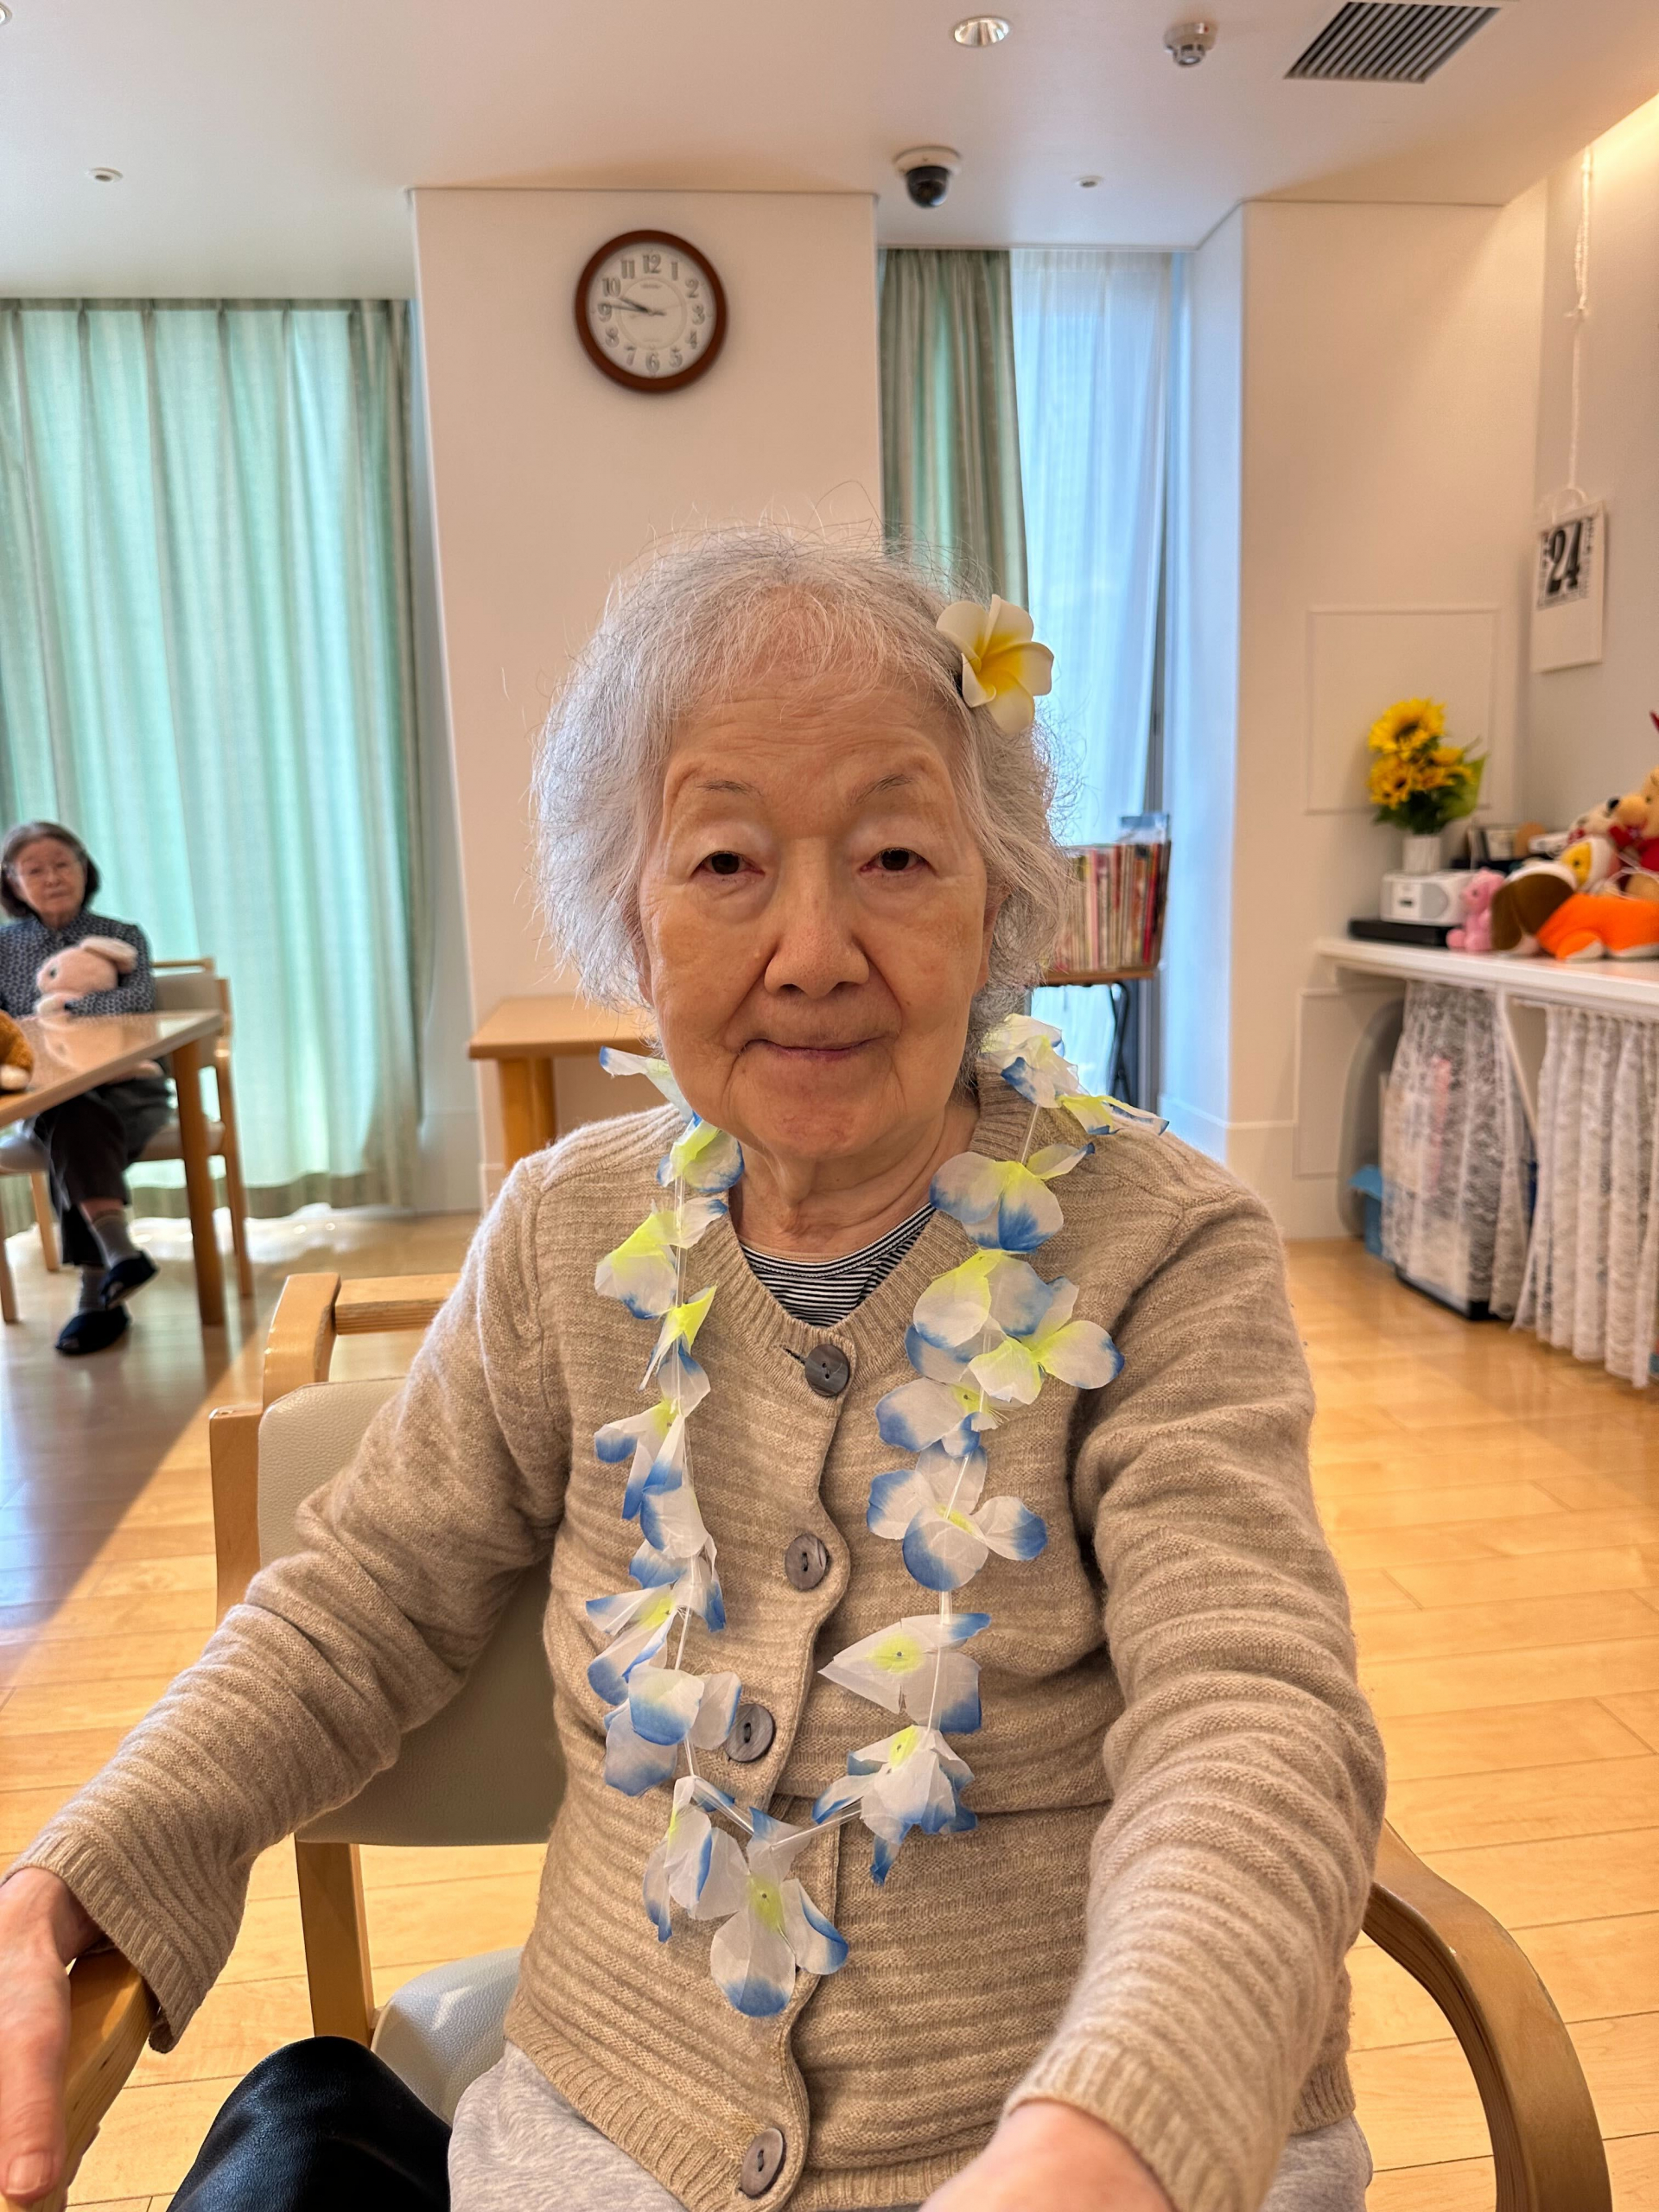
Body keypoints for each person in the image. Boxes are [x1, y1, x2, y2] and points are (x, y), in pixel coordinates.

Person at [0, 534, 1385, 2212]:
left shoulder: (1165, 1247)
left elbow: (1251, 1707)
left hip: (1092, 2142)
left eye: (895, 854)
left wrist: (1113, 2129)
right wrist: (73, 1878)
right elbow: (361, 1605)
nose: (812, 949)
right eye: (726, 860)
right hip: (611, 2139)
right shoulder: (564, 1228)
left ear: (1001, 903)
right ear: (626, 917)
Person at [0, 821, 164, 1354]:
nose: (52, 878)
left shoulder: (122, 935)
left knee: (76, 1125)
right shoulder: (3, 947)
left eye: (62, 864)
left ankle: (97, 1291)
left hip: (131, 1089)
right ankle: (118, 1257)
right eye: (34, 870)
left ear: (83, 868)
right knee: (70, 1114)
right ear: (13, 881)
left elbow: (137, 1002)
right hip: (46, 1095)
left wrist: (60, 1009)